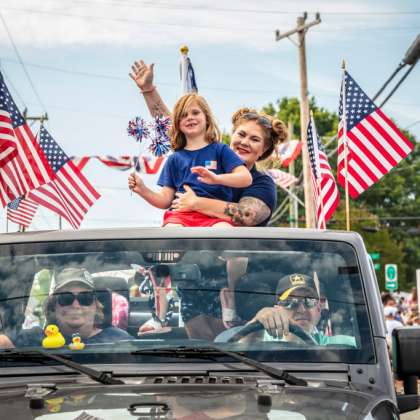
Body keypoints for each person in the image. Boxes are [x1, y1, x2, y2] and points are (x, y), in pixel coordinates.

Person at [130, 60, 288, 336]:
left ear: (263, 151)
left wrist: (197, 203)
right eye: (240, 134)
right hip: (197, 285)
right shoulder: (209, 157)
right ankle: (160, 312)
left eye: (254, 140)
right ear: (230, 136)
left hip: (242, 293)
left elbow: (247, 215)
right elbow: (175, 127)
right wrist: (149, 90)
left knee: (239, 347)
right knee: (203, 350)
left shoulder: (262, 184)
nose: (244, 142)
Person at [128, 91, 253, 227]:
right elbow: (165, 201)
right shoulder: (174, 159)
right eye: (183, 115)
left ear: (207, 118)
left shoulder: (221, 150)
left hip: (215, 216)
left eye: (195, 112)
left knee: (224, 231)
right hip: (180, 216)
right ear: (177, 124)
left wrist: (217, 179)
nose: (190, 118)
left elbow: (246, 178)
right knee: (172, 232)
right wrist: (142, 190)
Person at [1, 268, 132, 349]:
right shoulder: (35, 337)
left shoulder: (117, 339)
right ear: (53, 306)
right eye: (66, 298)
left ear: (95, 306)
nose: (76, 305)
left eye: (85, 298)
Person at [239, 273, 356, 346]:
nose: (301, 309)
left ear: (319, 308)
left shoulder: (342, 346)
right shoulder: (259, 341)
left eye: (309, 301)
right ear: (277, 309)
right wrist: (256, 323)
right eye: (290, 302)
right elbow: (236, 357)